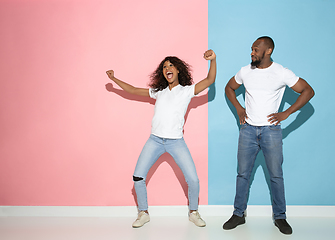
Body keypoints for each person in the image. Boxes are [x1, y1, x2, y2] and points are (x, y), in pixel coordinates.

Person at [106, 50, 216, 228]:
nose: (167, 68)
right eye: (164, 67)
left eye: (171, 65)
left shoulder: (187, 91)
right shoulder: (159, 91)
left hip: (176, 142)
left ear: (178, 70)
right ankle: (143, 213)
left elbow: (210, 80)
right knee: (138, 177)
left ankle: (193, 212)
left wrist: (213, 60)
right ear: (162, 73)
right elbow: (133, 90)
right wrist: (114, 79)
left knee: (193, 180)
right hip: (155, 140)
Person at [223, 36, 314, 235]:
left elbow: (308, 91)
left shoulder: (281, 72)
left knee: (276, 176)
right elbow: (229, 88)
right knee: (242, 174)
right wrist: (239, 108)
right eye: (251, 49)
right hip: (247, 129)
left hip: (271, 131)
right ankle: (238, 214)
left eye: (256, 49)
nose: (252, 53)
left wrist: (287, 113)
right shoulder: (245, 71)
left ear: (268, 50)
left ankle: (280, 217)